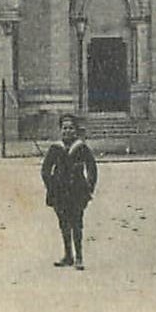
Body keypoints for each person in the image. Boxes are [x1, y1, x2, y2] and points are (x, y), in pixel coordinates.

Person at [40, 114, 97, 269]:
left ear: (75, 130)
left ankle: (79, 257)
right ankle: (68, 255)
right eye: (64, 128)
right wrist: (51, 186)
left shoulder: (82, 148)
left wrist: (89, 186)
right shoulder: (55, 148)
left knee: (77, 223)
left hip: (77, 192)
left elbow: (92, 168)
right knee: (64, 224)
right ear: (60, 130)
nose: (67, 131)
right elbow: (45, 170)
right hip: (60, 193)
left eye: (71, 128)